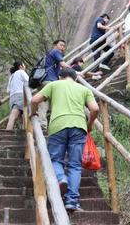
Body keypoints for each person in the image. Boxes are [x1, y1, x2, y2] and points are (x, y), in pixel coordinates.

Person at [31, 68, 99, 212]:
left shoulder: (54, 85)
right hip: (79, 127)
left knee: (55, 160)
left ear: (60, 77)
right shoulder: (83, 89)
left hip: (58, 126)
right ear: (74, 78)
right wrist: (90, 125)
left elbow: (34, 99)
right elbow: (95, 109)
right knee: (75, 165)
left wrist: (33, 113)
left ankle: (61, 178)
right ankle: (71, 201)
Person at [40, 39, 70, 128]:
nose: (62, 47)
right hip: (51, 81)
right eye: (61, 45)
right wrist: (74, 71)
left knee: (44, 103)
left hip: (45, 80)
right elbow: (63, 64)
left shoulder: (49, 54)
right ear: (55, 45)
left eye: (64, 46)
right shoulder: (55, 51)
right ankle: (58, 125)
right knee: (57, 102)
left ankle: (42, 124)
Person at [6, 61, 29, 130]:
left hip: (12, 97)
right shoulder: (21, 72)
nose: (25, 66)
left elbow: (8, 90)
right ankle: (26, 132)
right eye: (24, 65)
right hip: (20, 95)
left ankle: (8, 131)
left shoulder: (11, 76)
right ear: (20, 66)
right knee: (24, 113)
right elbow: (29, 81)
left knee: (16, 115)